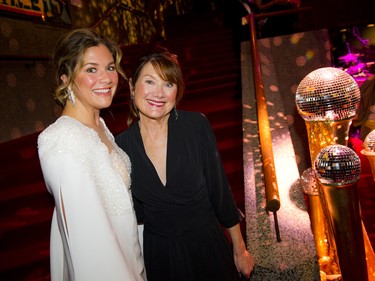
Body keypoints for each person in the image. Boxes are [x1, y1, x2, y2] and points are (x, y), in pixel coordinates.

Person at [115, 47, 255, 281]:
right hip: (160, 255)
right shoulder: (122, 146)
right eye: (150, 82)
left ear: (177, 91)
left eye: (168, 84)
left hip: (207, 245)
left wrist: (239, 250)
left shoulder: (196, 126)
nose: (158, 93)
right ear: (131, 86)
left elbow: (220, 193)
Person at [37, 28, 147, 281]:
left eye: (110, 67)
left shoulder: (100, 127)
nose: (106, 78)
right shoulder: (61, 140)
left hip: (130, 258)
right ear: (65, 78)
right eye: (91, 69)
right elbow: (86, 245)